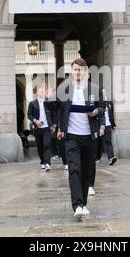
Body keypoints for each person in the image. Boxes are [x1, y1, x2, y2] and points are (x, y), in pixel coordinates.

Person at [56, 58, 105, 221]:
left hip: (89, 136)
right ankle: (77, 205)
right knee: (74, 169)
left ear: (86, 72)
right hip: (71, 136)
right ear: (72, 71)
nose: (78, 72)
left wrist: (95, 112)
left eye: (80, 70)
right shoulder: (64, 89)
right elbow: (58, 110)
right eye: (75, 70)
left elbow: (102, 108)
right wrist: (58, 128)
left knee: (86, 170)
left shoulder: (94, 89)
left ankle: (83, 204)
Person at [27, 84, 55, 171]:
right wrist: (36, 121)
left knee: (47, 145)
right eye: (41, 91)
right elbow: (29, 114)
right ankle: (42, 162)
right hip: (38, 128)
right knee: (40, 146)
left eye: (44, 91)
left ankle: (47, 163)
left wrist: (53, 125)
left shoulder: (49, 102)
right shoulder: (32, 103)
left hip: (47, 128)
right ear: (37, 93)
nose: (43, 92)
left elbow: (53, 114)